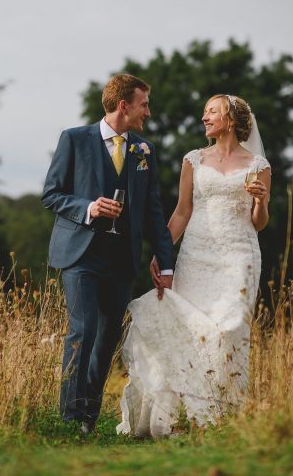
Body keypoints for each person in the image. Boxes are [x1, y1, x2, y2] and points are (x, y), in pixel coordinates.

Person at [117, 94, 271, 438]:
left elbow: (259, 222)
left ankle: (220, 415)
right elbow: (182, 212)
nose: (205, 118)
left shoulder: (258, 165)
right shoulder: (194, 160)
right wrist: (162, 252)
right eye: (204, 113)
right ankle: (179, 417)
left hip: (238, 258)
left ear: (230, 118)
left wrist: (260, 200)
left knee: (228, 329)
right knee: (190, 329)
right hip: (196, 255)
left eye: (211, 112)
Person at [41, 74, 174, 435]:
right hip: (80, 255)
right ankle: (69, 417)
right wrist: (89, 208)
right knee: (82, 330)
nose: (148, 111)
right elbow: (51, 194)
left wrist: (167, 263)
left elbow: (154, 211)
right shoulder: (74, 139)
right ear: (123, 105)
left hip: (121, 260)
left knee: (106, 338)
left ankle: (87, 416)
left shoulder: (143, 150)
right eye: (143, 104)